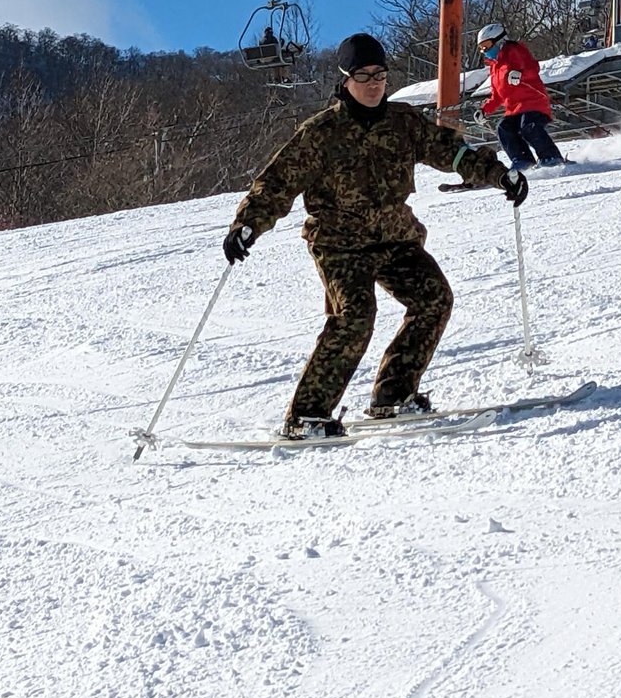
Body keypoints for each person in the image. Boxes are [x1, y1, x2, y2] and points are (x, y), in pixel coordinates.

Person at [223, 32, 528, 437]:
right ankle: (305, 416)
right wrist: (247, 225)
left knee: (434, 299)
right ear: (345, 80)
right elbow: (277, 183)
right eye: (363, 75)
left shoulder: (403, 122)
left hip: (395, 238)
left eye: (380, 75)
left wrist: (497, 174)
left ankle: (393, 397)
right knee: (355, 316)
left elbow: (450, 151)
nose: (373, 84)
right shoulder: (321, 133)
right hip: (339, 245)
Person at [475, 22, 566, 172]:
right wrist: (484, 110)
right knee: (503, 128)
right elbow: (497, 95)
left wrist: (520, 73)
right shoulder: (495, 66)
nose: (485, 50)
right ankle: (523, 160)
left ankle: (551, 157)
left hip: (534, 103)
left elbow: (532, 67)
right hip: (514, 109)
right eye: (481, 47)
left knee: (529, 127)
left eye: (487, 44)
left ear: (499, 40)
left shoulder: (514, 49)